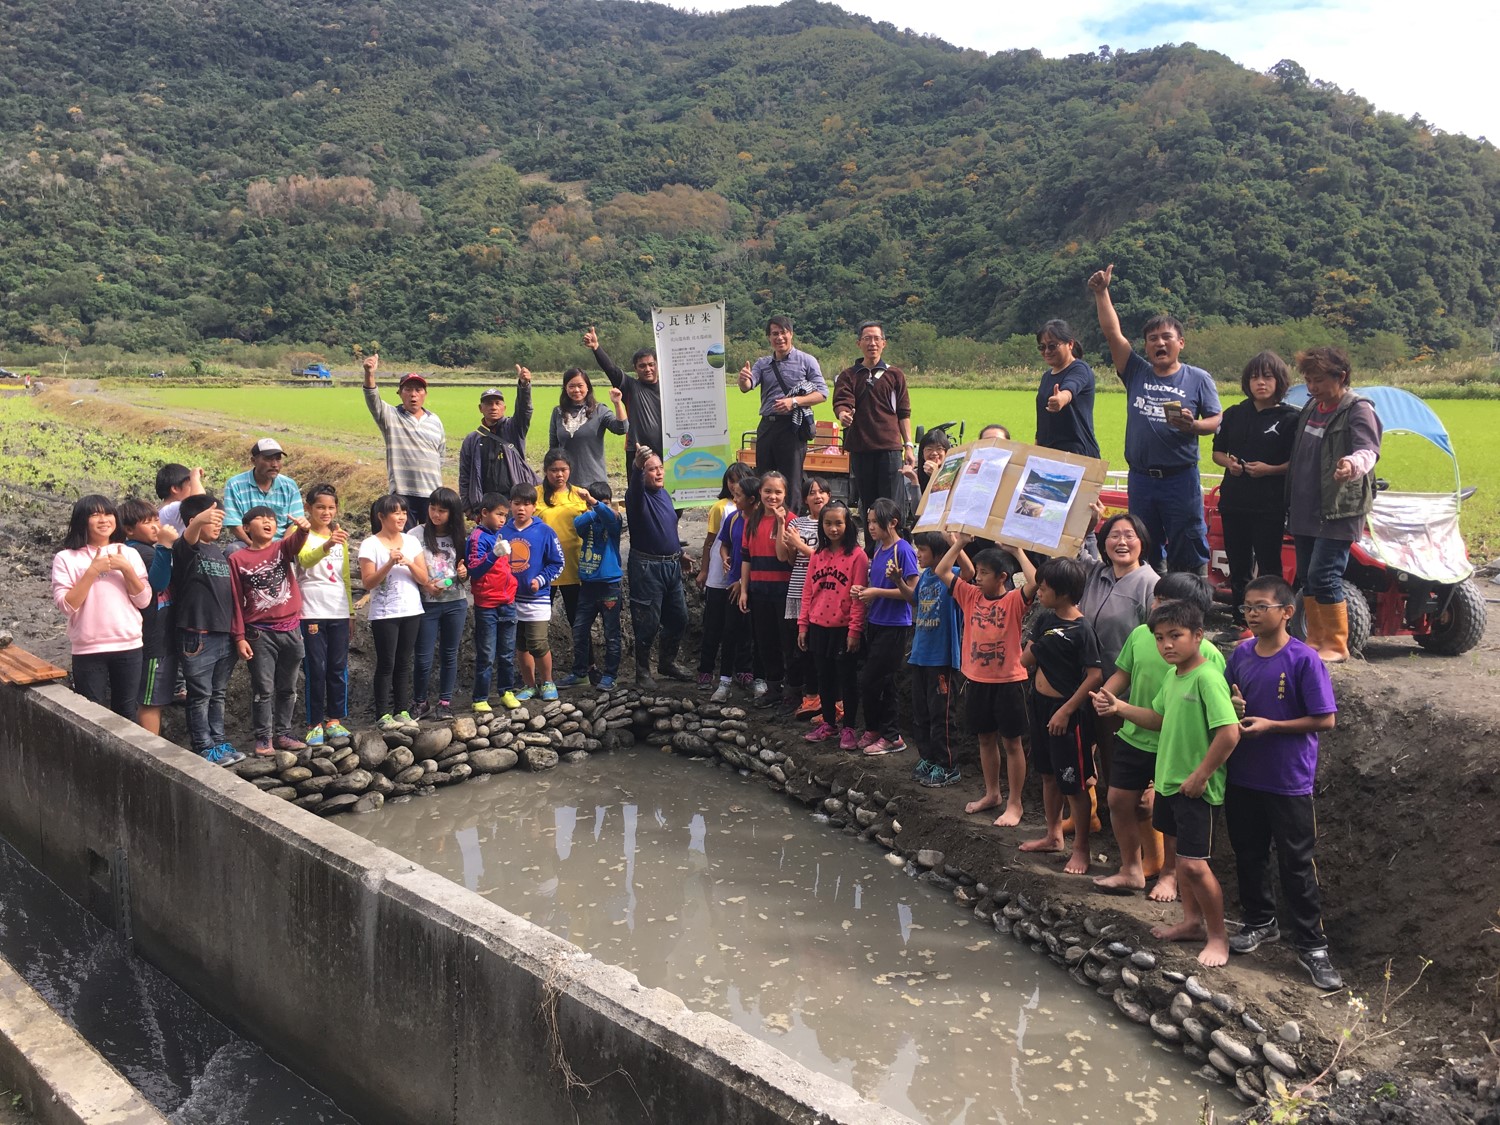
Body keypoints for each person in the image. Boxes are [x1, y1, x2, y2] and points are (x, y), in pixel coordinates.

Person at [1092, 598, 1241, 966]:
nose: (1166, 645)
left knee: (1194, 865)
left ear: (1199, 636)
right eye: (1159, 638)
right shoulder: (1175, 677)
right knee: (1183, 858)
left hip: (1197, 789)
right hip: (1170, 784)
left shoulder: (1207, 677)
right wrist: (1120, 708)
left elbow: (1229, 733)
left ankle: (1218, 936)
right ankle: (1191, 922)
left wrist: (1201, 775)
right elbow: (1157, 718)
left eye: (1175, 636)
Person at [1225, 575, 1343, 989]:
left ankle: (1313, 946)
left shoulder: (1304, 659)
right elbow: (1227, 702)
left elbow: (1325, 718)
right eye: (1247, 607)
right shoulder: (1240, 654)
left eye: (1261, 607)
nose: (1252, 614)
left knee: (1297, 863)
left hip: (1288, 779)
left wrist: (1273, 725)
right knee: (1248, 852)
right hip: (1243, 774)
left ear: (1287, 612)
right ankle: (1260, 921)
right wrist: (1234, 704)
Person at [1092, 572, 1223, 899]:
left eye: (1164, 601)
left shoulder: (1209, 658)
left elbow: (1220, 721)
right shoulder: (1141, 635)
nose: (1155, 606)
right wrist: (1106, 698)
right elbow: (1123, 673)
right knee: (1118, 800)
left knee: (1170, 815)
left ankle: (1169, 875)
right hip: (1134, 734)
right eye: (1156, 598)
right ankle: (1131, 869)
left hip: (1176, 747)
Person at [1088, 264, 1222, 573]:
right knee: (1144, 546)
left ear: (1180, 343)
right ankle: (1151, 605)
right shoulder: (1136, 371)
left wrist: (1195, 426)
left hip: (1180, 479)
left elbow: (1216, 419)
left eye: (1166, 337)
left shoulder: (1198, 378)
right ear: (1146, 346)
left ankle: (1190, 605)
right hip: (1142, 478)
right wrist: (1102, 292)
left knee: (1188, 545)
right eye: (1152, 339)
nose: (1159, 344)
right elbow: (1112, 334)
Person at [1285, 347, 1382, 662]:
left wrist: (1351, 466)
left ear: (1340, 376)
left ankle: (1337, 645)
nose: (1311, 387)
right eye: (1308, 380)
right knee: (1307, 576)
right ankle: (1315, 639)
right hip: (1304, 506)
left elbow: (1368, 451)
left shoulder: (1358, 409)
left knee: (1325, 574)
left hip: (1338, 508)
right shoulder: (1312, 406)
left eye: (1318, 380)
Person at [937, 536, 1036, 824]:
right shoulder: (970, 596)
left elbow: (1036, 581)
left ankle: (1015, 803)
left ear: (1002, 577)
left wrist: (1017, 549)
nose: (977, 578)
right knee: (985, 739)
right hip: (976, 679)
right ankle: (992, 793)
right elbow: (943, 571)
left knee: (1012, 743)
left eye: (984, 574)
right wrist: (959, 544)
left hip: (1008, 682)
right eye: (976, 573)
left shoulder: (1015, 600)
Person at [1018, 556, 1104, 875]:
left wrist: (1067, 711)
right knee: (1048, 774)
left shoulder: (1082, 629)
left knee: (1075, 783)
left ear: (1065, 592)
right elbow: (1027, 658)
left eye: (1044, 587)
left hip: (1066, 714)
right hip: (1039, 705)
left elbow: (1095, 675)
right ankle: (1053, 834)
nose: (1039, 592)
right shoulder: (1044, 619)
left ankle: (1082, 849)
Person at [1079, 509, 1160, 839]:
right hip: (1087, 686)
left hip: (1124, 693)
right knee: (1086, 757)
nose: (1121, 542)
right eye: (1114, 535)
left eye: (1129, 535)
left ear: (1142, 542)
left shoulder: (1150, 584)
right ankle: (1093, 818)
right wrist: (1088, 521)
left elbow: (1159, 644)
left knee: (1121, 765)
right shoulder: (1096, 574)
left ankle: (1137, 841)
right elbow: (1074, 547)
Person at [1212, 351, 1299, 637]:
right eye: (1254, 377)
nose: (1260, 383)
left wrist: (1269, 469)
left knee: (1269, 564)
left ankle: (1274, 621)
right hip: (1235, 501)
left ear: (1279, 381)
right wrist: (1231, 465)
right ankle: (1241, 620)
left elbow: (1296, 462)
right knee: (1237, 565)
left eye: (1267, 377)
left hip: (1269, 505)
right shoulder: (1235, 413)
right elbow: (1217, 452)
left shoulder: (1290, 419)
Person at [51, 495, 150, 721]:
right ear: (82, 520)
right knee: (92, 716)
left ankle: (124, 758)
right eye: (95, 515)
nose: (104, 519)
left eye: (107, 514)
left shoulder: (130, 554)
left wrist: (126, 569)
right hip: (88, 649)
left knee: (126, 712)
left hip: (129, 644)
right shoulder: (66, 558)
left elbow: (144, 600)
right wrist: (92, 571)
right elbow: (66, 606)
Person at [229, 505, 311, 756]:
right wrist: (240, 637)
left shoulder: (280, 548)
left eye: (272, 519)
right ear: (246, 528)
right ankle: (263, 739)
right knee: (263, 689)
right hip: (259, 633)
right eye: (261, 519)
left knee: (289, 687)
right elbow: (235, 600)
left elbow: (295, 544)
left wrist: (304, 530)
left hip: (292, 629)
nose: (268, 522)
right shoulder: (237, 558)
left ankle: (284, 733)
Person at [895, 531, 974, 788]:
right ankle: (928, 758)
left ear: (939, 554)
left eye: (923, 550)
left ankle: (948, 765)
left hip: (941, 659)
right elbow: (913, 599)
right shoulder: (926, 576)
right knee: (922, 712)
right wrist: (898, 580)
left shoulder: (949, 576)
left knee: (942, 714)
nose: (918, 554)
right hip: (920, 655)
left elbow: (970, 571)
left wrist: (956, 542)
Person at [171, 494, 244, 765]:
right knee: (200, 694)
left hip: (223, 633)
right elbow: (187, 539)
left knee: (218, 692)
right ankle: (203, 746)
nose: (217, 527)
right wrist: (198, 520)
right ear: (194, 521)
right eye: (212, 521)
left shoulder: (219, 552)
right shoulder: (186, 550)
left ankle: (219, 740)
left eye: (219, 522)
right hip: (197, 634)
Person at [737, 315, 829, 513]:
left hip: (792, 427)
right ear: (769, 338)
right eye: (774, 334)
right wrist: (743, 380)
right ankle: (765, 521)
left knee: (791, 480)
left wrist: (794, 402)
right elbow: (747, 387)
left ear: (791, 334)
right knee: (764, 478)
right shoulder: (762, 363)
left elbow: (822, 393)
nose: (779, 337)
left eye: (783, 332)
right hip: (767, 426)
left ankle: (791, 526)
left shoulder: (806, 361)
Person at [851, 497, 918, 755]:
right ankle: (875, 729)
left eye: (875, 522)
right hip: (876, 622)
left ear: (893, 523)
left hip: (895, 624)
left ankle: (892, 735)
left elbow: (912, 592)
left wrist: (876, 591)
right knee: (878, 681)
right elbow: (876, 584)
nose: (870, 527)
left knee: (876, 680)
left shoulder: (903, 550)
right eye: (867, 522)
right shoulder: (878, 549)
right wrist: (864, 590)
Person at [798, 501, 868, 746]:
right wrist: (803, 625)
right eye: (827, 523)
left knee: (847, 679)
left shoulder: (858, 557)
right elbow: (808, 592)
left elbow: (859, 597)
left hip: (843, 628)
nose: (833, 528)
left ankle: (848, 727)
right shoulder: (818, 554)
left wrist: (855, 630)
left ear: (848, 524)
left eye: (838, 523)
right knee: (823, 677)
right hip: (818, 626)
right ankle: (828, 723)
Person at [358, 495, 430, 729]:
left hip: (412, 610)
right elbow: (368, 583)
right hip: (384, 613)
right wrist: (389, 563)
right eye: (395, 513)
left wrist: (408, 563)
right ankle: (383, 713)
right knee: (386, 663)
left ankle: (402, 710)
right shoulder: (370, 544)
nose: (401, 517)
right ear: (381, 516)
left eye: (404, 512)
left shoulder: (411, 542)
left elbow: (424, 579)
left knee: (404, 662)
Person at [625, 448, 691, 689]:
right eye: (652, 469)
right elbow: (634, 487)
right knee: (647, 623)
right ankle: (642, 671)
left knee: (679, 618)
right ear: (643, 475)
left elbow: (666, 528)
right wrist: (636, 467)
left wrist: (680, 553)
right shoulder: (637, 497)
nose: (658, 472)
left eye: (660, 467)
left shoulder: (664, 495)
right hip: (646, 567)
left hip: (671, 565)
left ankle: (667, 662)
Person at [832, 322, 914, 511]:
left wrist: (908, 445)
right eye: (867, 338)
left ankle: (894, 541)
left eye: (877, 339)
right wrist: (843, 414)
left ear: (884, 343)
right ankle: (871, 542)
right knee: (868, 505)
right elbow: (842, 402)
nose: (872, 343)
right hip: (861, 448)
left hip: (890, 449)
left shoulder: (895, 375)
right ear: (858, 343)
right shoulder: (848, 376)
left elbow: (903, 412)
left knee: (892, 505)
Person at [295, 484, 352, 747]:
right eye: (320, 507)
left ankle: (335, 719)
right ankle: (314, 722)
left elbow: (345, 578)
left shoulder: (339, 535)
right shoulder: (301, 534)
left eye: (330, 507)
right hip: (311, 610)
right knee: (315, 667)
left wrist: (350, 612)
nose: (326, 512)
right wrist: (328, 544)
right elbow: (304, 560)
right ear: (308, 508)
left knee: (338, 667)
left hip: (338, 610)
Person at [362, 354, 446, 526]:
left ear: (425, 394)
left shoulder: (435, 420)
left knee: (429, 543)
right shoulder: (390, 416)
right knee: (404, 542)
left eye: (418, 390)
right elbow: (372, 399)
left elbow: (441, 457)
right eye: (408, 390)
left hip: (431, 493)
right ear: (400, 393)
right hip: (402, 492)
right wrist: (369, 373)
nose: (413, 394)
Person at [500, 482, 565, 702]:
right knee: (520, 644)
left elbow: (557, 563)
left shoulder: (545, 531)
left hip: (537, 598)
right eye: (517, 504)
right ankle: (529, 685)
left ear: (534, 507)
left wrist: (540, 579)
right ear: (510, 505)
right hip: (510, 599)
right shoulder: (503, 532)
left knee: (537, 642)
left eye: (526, 504)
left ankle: (548, 681)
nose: (521, 509)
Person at [120, 498, 178, 736]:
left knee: (155, 697)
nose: (156, 526)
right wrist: (165, 547)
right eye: (147, 523)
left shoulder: (143, 550)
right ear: (128, 529)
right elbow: (159, 583)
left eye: (157, 520)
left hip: (158, 638)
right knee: (150, 700)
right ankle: (151, 752)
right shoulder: (140, 552)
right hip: (154, 641)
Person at [737, 471, 795, 707]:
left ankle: (792, 692)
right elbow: (746, 558)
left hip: (783, 591)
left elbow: (786, 558)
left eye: (778, 492)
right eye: (768, 491)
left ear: (785, 494)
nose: (772, 496)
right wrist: (744, 589)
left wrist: (781, 524)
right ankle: (773, 689)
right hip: (759, 591)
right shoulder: (752, 520)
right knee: (765, 641)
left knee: (788, 642)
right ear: (759, 492)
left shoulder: (791, 519)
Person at [411, 487, 469, 721]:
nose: (435, 514)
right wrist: (426, 584)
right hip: (427, 604)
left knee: (449, 654)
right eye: (432, 508)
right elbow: (410, 566)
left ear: (452, 513)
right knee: (423, 656)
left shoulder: (459, 536)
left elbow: (465, 573)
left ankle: (444, 703)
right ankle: (420, 702)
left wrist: (464, 573)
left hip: (455, 602)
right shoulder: (416, 534)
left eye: (442, 511)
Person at [697, 463, 752, 692]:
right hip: (720, 574)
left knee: (740, 626)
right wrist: (704, 569)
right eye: (731, 480)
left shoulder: (753, 510)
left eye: (739, 480)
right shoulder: (721, 508)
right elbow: (711, 541)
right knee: (713, 624)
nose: (734, 485)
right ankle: (706, 669)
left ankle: (742, 669)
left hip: (741, 576)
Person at [537, 450, 591, 684]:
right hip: (543, 572)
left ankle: (585, 670)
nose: (559, 475)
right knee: (536, 624)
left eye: (563, 470)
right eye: (554, 470)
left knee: (578, 622)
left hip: (574, 568)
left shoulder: (580, 494)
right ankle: (536, 675)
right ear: (545, 471)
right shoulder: (535, 495)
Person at [467, 493, 520, 713]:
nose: (502, 519)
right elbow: (474, 569)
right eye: (499, 514)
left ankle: (506, 691)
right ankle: (480, 697)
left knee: (507, 652)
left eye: (505, 516)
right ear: (484, 513)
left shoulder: (500, 534)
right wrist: (493, 555)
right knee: (487, 654)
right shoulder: (477, 537)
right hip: (487, 604)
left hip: (507, 601)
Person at [458, 373, 536, 515]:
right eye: (488, 403)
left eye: (497, 403)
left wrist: (524, 386)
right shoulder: (472, 440)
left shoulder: (513, 429)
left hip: (513, 501)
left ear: (504, 408)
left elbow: (524, 411)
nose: (493, 407)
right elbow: (465, 476)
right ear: (480, 408)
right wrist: (468, 509)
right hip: (486, 503)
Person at [783, 478, 829, 716]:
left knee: (817, 649)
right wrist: (791, 545)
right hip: (797, 592)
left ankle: (822, 697)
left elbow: (827, 561)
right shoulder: (798, 523)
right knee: (798, 648)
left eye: (822, 491)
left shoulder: (832, 523)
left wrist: (799, 545)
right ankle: (807, 696)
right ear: (804, 499)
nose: (817, 496)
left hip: (823, 596)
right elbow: (791, 561)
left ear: (829, 496)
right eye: (812, 493)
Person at [572, 481, 624, 689]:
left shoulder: (614, 520)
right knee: (579, 630)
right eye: (599, 502)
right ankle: (579, 672)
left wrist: (595, 504)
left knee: (611, 634)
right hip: (588, 585)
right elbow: (577, 524)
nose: (604, 507)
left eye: (607, 503)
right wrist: (593, 508)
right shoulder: (587, 521)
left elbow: (611, 517)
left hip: (609, 586)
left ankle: (611, 675)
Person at [710, 472, 756, 703]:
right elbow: (724, 544)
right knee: (730, 632)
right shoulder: (733, 519)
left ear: (752, 499)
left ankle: (756, 678)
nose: (734, 499)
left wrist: (743, 583)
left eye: (738, 496)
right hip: (733, 584)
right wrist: (726, 557)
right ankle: (725, 681)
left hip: (754, 586)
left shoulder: (760, 521)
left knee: (756, 633)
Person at [583, 326, 663, 458]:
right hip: (637, 451)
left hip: (666, 450)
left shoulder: (669, 389)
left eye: (651, 364)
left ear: (657, 365)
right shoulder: (630, 386)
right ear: (635, 369)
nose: (647, 369)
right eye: (642, 366)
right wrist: (596, 347)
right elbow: (611, 369)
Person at [548, 369, 628, 495]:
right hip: (567, 483)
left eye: (580, 386)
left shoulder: (599, 410)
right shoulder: (557, 412)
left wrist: (617, 403)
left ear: (588, 387)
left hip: (595, 483)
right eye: (571, 386)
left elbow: (621, 428)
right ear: (565, 388)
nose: (576, 390)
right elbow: (553, 448)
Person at [1034, 319, 1100, 458]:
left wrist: (1061, 399)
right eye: (1042, 347)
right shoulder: (1047, 376)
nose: (1047, 351)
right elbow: (1043, 424)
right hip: (1049, 454)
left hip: (1077, 455)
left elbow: (1071, 388)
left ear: (1070, 344)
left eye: (1052, 346)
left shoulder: (1080, 369)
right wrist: (1036, 449)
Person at [222, 439, 304, 548]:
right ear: (253, 460)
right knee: (233, 549)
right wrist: (255, 547)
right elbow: (235, 524)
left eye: (278, 459)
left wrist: (282, 548)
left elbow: (295, 523)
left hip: (281, 544)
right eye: (268, 459)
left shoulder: (289, 486)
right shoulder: (235, 484)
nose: (274, 464)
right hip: (248, 543)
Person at [155, 463, 204, 535]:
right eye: (191, 485)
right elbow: (200, 500)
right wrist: (194, 477)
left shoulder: (163, 511)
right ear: (175, 489)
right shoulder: (171, 509)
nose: (194, 488)